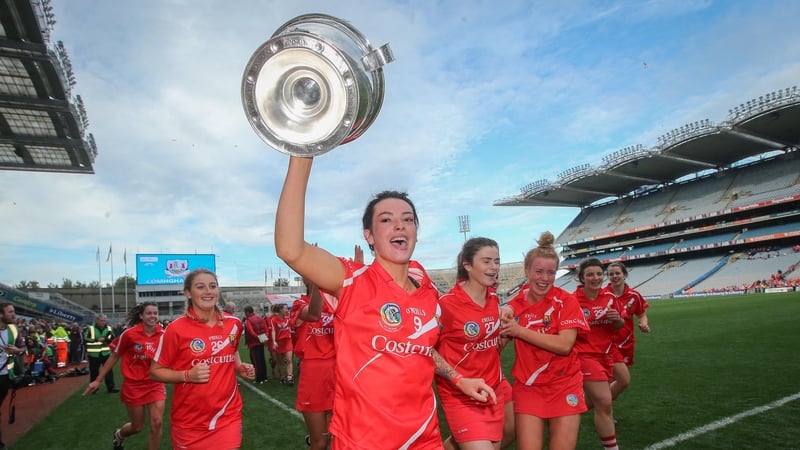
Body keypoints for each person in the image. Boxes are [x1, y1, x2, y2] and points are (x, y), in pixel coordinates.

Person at [274, 156, 495, 449]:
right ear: (369, 236)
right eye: (386, 220)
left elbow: (422, 350)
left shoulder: (427, 289)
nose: (399, 226)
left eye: (407, 220)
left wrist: (458, 379)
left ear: (415, 230)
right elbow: (290, 249)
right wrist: (303, 154)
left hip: (422, 437)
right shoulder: (351, 280)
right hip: (363, 439)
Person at [499, 232, 590, 450]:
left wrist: (519, 331)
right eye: (539, 271)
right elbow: (496, 348)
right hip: (529, 387)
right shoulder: (514, 306)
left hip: (564, 384)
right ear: (527, 271)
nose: (545, 278)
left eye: (550, 272)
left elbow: (565, 345)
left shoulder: (566, 302)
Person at [150, 268, 255, 450]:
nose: (208, 291)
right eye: (200, 287)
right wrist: (188, 376)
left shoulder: (234, 324)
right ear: (188, 293)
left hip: (228, 416)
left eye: (212, 286)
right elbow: (155, 371)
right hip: (189, 422)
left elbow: (231, 347)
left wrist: (238, 366)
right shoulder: (176, 329)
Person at [436, 237, 511, 450]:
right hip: (459, 395)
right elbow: (426, 351)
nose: (494, 267)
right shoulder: (446, 305)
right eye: (486, 261)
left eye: (497, 261)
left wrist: (508, 333)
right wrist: (458, 379)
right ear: (467, 265)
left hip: (491, 390)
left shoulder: (494, 299)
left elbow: (491, 348)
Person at [83, 302, 166, 450]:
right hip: (133, 385)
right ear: (141, 316)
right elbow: (114, 356)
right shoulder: (129, 334)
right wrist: (97, 380)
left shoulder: (163, 334)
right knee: (137, 427)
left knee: (157, 422)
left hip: (155, 383)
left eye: (155, 313)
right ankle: (119, 434)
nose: (153, 316)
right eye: (149, 313)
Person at [572, 258, 625, 450]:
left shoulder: (609, 298)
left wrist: (617, 319)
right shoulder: (573, 301)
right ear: (582, 278)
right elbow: (567, 332)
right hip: (584, 355)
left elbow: (619, 325)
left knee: (597, 400)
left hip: (607, 354)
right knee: (604, 402)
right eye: (590, 274)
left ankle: (563, 411)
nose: (595, 278)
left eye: (598, 274)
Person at [292, 281, 336, 450]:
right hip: (313, 374)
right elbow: (314, 314)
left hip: (338, 370)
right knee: (319, 442)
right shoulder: (299, 303)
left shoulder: (336, 304)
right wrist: (320, 280)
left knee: (334, 437)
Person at [605, 262, 651, 402]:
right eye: (611, 274)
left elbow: (641, 314)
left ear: (624, 275)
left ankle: (604, 412)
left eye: (617, 273)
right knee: (620, 380)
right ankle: (598, 407)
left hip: (627, 343)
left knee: (616, 383)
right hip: (608, 345)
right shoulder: (602, 295)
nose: (614, 276)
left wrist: (644, 324)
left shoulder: (634, 296)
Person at [0, 303, 24, 450]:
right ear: (0, 314)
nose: (14, 315)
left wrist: (18, 350)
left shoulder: (13, 329)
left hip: (4, 376)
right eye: (10, 312)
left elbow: (23, 347)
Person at [84, 314, 118, 393]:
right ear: (97, 321)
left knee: (108, 370)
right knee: (94, 372)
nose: (103, 322)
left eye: (104, 320)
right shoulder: (90, 329)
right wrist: (96, 340)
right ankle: (94, 389)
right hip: (93, 354)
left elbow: (113, 338)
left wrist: (106, 339)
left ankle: (111, 387)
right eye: (101, 320)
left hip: (105, 353)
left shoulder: (109, 328)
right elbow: (85, 339)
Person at [243, 305, 269, 384]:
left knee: (256, 361)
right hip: (261, 342)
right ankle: (264, 377)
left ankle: (259, 378)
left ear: (247, 312)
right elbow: (266, 329)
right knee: (262, 359)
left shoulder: (248, 321)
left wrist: (258, 338)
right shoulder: (260, 318)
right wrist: (263, 339)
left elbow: (251, 332)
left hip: (254, 343)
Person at [270, 303, 294, 385]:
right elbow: (273, 331)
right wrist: (274, 341)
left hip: (288, 341)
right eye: (286, 309)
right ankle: (282, 376)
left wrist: (291, 331)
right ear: (280, 310)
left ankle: (290, 378)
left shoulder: (288, 318)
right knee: (280, 362)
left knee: (289, 360)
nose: (287, 310)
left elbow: (290, 327)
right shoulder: (274, 320)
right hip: (279, 342)